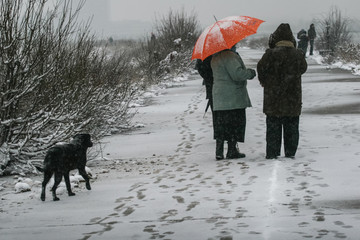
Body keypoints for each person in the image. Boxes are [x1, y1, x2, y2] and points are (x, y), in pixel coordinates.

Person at [257, 23, 307, 159]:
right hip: (292, 98)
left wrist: (267, 82)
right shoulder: (298, 55)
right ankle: (290, 153)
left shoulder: (270, 55)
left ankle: (272, 153)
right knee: (292, 127)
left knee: (273, 127)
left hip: (273, 99)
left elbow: (260, 69)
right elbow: (303, 69)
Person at [211, 45, 256, 160]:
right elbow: (237, 75)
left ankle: (219, 151)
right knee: (234, 124)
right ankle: (232, 150)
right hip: (232, 97)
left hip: (219, 97)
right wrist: (250, 73)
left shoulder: (215, 57)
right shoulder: (229, 56)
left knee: (221, 125)